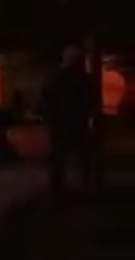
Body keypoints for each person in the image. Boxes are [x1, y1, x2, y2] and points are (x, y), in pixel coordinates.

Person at [40, 45, 97, 198]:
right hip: (73, 123)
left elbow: (47, 101)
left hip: (63, 124)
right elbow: (89, 100)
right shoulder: (80, 78)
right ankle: (79, 186)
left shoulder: (57, 78)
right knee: (80, 156)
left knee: (63, 157)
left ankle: (59, 188)